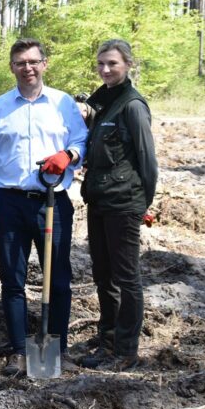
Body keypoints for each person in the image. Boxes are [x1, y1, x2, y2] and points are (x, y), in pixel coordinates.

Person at [0, 38, 88, 376]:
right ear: (12, 67)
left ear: (44, 64)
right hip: (9, 202)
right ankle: (20, 350)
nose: (28, 68)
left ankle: (59, 349)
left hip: (52, 202)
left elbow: (82, 141)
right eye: (21, 62)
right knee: (12, 279)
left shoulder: (63, 103)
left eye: (33, 61)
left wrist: (68, 156)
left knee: (59, 280)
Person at [79, 39, 158, 371]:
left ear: (127, 64)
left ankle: (126, 350)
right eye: (101, 63)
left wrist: (142, 204)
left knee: (126, 278)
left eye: (112, 63)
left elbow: (148, 162)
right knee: (103, 275)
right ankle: (107, 341)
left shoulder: (132, 106)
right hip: (98, 200)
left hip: (124, 204)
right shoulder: (104, 101)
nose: (105, 69)